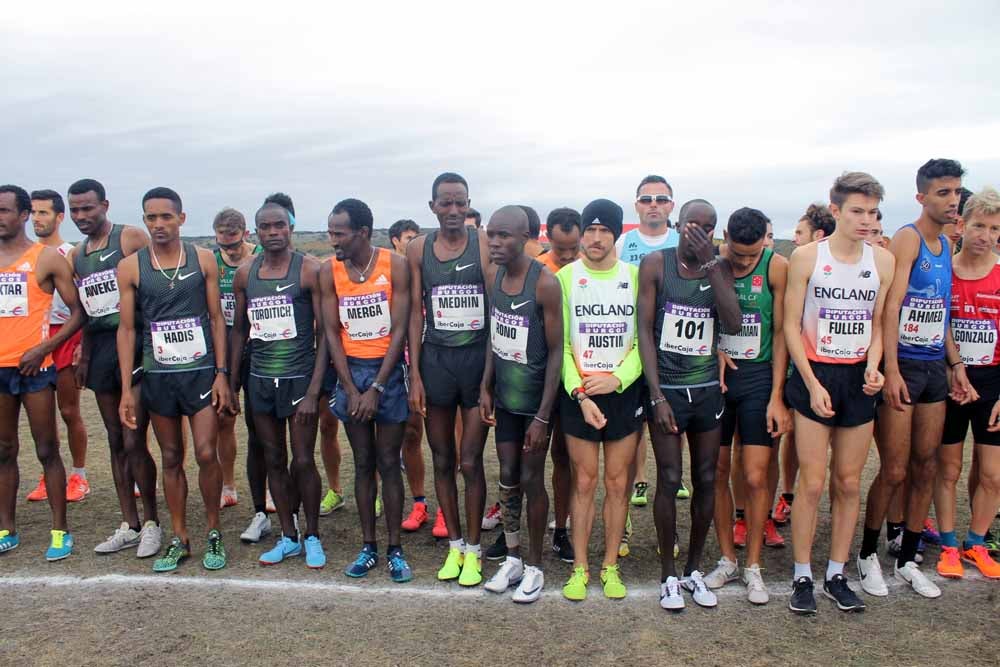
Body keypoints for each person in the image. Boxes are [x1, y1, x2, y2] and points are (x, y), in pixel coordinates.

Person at [783, 172, 894, 615]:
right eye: (857, 211)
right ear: (836, 211)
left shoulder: (882, 262)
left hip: (857, 379)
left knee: (848, 481)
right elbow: (791, 324)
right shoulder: (807, 257)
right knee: (811, 481)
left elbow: (879, 324)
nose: (866, 220)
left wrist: (874, 366)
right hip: (815, 373)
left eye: (872, 212)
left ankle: (836, 572)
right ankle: (802, 574)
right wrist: (810, 383)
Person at [857, 159, 965, 600]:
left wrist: (955, 366)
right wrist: (892, 370)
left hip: (934, 369)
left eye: (956, 192)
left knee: (926, 465)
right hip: (902, 368)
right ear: (921, 197)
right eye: (943, 193)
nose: (953, 200)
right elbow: (890, 307)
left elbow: (940, 316)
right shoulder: (908, 238)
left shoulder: (947, 251)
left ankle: (907, 558)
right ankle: (866, 555)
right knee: (896, 468)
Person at [117, 187, 233, 572]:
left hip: (200, 373)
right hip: (158, 375)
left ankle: (214, 530)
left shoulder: (203, 260)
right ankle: (180, 536)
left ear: (181, 219)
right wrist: (126, 390)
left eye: (166, 216)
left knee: (204, 452)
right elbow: (128, 330)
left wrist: (221, 373)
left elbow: (217, 319)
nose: (158, 224)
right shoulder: (132, 266)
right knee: (171, 456)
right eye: (151, 217)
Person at [637, 199, 742, 610]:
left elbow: (732, 323)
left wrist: (712, 264)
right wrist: (656, 393)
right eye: (693, 225)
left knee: (706, 477)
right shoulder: (655, 265)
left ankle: (693, 569)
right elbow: (644, 331)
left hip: (706, 391)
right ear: (679, 225)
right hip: (668, 390)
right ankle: (667, 575)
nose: (700, 232)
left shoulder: (720, 267)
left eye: (709, 227)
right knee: (667, 477)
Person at [66, 179, 162, 558]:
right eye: (75, 210)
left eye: (88, 208)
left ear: (104, 205)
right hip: (103, 349)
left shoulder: (130, 239)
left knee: (135, 437)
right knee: (115, 438)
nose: (81, 216)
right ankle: (130, 523)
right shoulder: (77, 255)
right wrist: (84, 354)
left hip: (139, 342)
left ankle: (152, 522)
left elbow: (159, 285)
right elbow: (88, 312)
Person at [229, 200, 327, 569]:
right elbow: (239, 330)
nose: (272, 233)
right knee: (273, 457)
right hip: (259, 380)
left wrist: (315, 391)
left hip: (299, 378)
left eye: (279, 226)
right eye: (265, 227)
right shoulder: (245, 274)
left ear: (291, 228)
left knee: (302, 459)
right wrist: (230, 379)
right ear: (256, 232)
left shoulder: (310, 271)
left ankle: (313, 535)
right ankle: (288, 536)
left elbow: (326, 335)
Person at [406, 172, 490, 586]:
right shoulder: (418, 248)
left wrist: (491, 377)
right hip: (436, 361)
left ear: (469, 204)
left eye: (461, 203)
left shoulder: (484, 243)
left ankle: (474, 550)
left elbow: (497, 311)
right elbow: (414, 312)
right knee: (442, 459)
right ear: (433, 206)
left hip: (476, 362)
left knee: (470, 461)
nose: (454, 211)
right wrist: (415, 375)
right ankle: (455, 545)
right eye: (446, 203)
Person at [323, 198, 413, 581]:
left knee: (389, 461)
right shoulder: (329, 271)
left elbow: (400, 328)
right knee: (363, 463)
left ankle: (395, 548)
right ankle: (368, 546)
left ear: (361, 232)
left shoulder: (396, 265)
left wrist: (376, 386)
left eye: (338, 233)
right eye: (329, 233)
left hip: (387, 372)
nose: (332, 241)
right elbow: (330, 331)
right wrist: (350, 387)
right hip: (350, 372)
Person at [705, 207, 791, 606]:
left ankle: (753, 563)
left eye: (750, 255)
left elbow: (780, 333)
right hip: (718, 381)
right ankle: (727, 558)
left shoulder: (776, 267)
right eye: (736, 254)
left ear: (765, 241)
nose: (741, 262)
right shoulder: (713, 263)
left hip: (758, 380)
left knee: (756, 476)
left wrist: (777, 395)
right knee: (717, 471)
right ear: (725, 237)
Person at [559, 199, 643, 601]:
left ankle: (610, 565)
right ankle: (580, 568)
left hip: (622, 393)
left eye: (603, 231)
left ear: (616, 234)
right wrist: (579, 391)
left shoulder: (637, 276)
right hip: (580, 395)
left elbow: (645, 342)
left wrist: (618, 379)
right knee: (585, 481)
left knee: (617, 482)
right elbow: (560, 348)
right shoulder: (564, 278)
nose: (595, 238)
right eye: (589, 231)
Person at [479, 206, 563, 602]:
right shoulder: (494, 277)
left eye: (504, 236)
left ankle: (534, 566)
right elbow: (496, 338)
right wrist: (485, 386)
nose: (494, 242)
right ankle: (511, 557)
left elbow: (556, 353)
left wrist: (543, 416)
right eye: (491, 234)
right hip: (506, 400)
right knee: (508, 476)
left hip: (535, 403)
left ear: (526, 237)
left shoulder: (544, 283)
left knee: (532, 479)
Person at [0, 184, 84, 560]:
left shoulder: (46, 259)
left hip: (34, 367)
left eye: (5, 210)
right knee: (3, 451)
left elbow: (79, 311)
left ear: (22, 216)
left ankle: (59, 531)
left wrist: (44, 348)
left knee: (47, 448)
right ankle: (7, 528)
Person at [617, 175, 687, 561]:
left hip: (675, 359)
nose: (654, 205)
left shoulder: (682, 243)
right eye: (646, 199)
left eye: (661, 199)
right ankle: (622, 525)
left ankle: (669, 532)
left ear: (672, 205)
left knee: (670, 455)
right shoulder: (623, 243)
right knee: (627, 448)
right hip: (630, 355)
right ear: (637, 205)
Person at [934, 187, 1000, 580]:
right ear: (962, 224)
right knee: (948, 468)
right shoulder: (946, 271)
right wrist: (952, 366)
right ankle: (946, 543)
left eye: (995, 228)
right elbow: (936, 322)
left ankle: (976, 541)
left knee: (992, 473)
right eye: (979, 225)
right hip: (950, 380)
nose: (987, 235)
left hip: (993, 382)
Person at [774, 203, 837, 526]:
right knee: (788, 432)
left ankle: (799, 496)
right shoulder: (792, 265)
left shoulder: (832, 266)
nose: (794, 238)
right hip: (791, 364)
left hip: (825, 365)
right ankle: (786, 494)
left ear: (819, 235)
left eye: (799, 233)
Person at [27, 190, 89, 504]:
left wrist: (82, 342)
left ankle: (79, 475)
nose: (38, 219)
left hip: (65, 335)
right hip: (33, 339)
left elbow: (83, 303)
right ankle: (48, 473)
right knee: (42, 416)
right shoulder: (26, 254)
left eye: (44, 213)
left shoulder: (70, 253)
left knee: (68, 410)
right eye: (34, 213)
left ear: (59, 216)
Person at [535, 207, 580, 562]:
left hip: (575, 379)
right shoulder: (534, 270)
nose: (567, 256)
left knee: (564, 457)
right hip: (535, 378)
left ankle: (561, 530)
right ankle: (514, 529)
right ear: (547, 237)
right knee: (527, 457)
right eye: (560, 249)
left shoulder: (587, 271)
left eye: (573, 248)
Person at [213, 207, 259, 512]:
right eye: (222, 244)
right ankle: (228, 485)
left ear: (246, 234)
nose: (228, 250)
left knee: (261, 423)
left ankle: (267, 486)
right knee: (223, 418)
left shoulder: (260, 257)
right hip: (224, 347)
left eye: (233, 244)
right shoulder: (210, 262)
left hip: (257, 347)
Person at [389, 218, 430, 532]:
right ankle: (420, 504)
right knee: (411, 435)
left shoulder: (430, 269)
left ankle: (447, 508)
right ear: (395, 241)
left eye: (418, 237)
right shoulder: (388, 274)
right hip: (404, 365)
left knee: (450, 444)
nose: (414, 242)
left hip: (442, 364)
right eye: (408, 237)